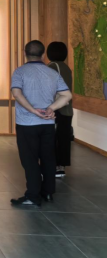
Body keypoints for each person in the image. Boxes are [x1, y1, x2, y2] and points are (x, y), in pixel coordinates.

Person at [10, 41, 73, 207]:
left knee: (30, 160)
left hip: (26, 123)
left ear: (25, 54)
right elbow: (67, 95)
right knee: (48, 157)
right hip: (47, 123)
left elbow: (16, 93)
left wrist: (32, 110)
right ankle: (48, 192)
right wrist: (51, 108)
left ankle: (33, 195)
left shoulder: (19, 72)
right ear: (43, 55)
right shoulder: (52, 73)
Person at [47, 42, 74, 178]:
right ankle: (61, 167)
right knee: (63, 138)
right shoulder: (66, 67)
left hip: (56, 107)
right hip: (67, 108)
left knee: (52, 138)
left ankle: (54, 166)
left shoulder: (52, 66)